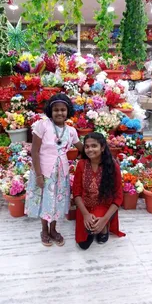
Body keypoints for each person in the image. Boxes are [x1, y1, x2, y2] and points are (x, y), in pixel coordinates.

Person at [25, 93, 83, 247]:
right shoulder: (42, 125)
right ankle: (44, 229)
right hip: (44, 171)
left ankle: (53, 229)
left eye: (63, 109)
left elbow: (82, 148)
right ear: (50, 111)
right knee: (46, 200)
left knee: (58, 200)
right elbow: (35, 151)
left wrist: (99, 154)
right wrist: (38, 175)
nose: (59, 113)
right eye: (56, 109)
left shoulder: (71, 131)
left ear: (68, 111)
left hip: (61, 173)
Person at [73, 132, 125, 250]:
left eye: (94, 146)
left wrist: (104, 219)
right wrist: (85, 214)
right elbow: (76, 193)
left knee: (96, 226)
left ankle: (105, 226)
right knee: (83, 244)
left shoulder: (113, 166)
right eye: (87, 146)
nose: (90, 149)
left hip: (104, 206)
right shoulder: (81, 164)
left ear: (102, 148)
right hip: (85, 207)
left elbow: (118, 197)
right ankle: (94, 226)